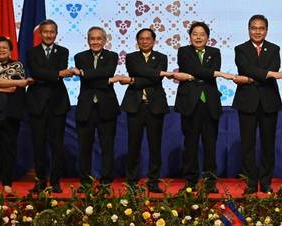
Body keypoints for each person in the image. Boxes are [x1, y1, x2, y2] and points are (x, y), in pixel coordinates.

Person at [174, 21, 235, 193]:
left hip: (210, 104)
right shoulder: (183, 51)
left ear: (208, 37)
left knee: (210, 145)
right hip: (190, 104)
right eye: (195, 34)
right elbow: (190, 68)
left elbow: (200, 71)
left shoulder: (215, 52)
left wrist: (200, 74)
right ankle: (191, 181)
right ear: (190, 36)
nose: (198, 37)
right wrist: (217, 74)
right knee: (190, 144)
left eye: (202, 34)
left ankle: (210, 182)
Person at [232, 15, 282, 194]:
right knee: (247, 144)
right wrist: (268, 74)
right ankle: (250, 182)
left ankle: (265, 182)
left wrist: (254, 77)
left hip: (269, 101)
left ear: (266, 30)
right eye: (254, 28)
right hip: (247, 102)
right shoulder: (240, 49)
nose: (257, 31)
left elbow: (275, 68)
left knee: (268, 144)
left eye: (261, 28)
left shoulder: (274, 48)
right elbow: (245, 68)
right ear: (248, 30)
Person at [119, 28, 173, 193]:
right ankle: (132, 181)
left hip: (155, 106)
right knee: (133, 145)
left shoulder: (162, 57)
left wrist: (133, 81)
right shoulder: (131, 57)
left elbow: (155, 79)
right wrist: (156, 74)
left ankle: (153, 181)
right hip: (135, 106)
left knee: (155, 146)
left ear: (154, 41)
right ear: (137, 41)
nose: (144, 41)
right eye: (141, 39)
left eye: (148, 38)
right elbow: (144, 73)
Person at [0, 36, 33, 194]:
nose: (1, 50)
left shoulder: (17, 66)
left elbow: (12, 89)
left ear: (10, 51)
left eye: (5, 48)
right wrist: (13, 83)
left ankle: (8, 183)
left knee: (9, 149)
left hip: (11, 114)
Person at [26, 19, 73, 193]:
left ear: (56, 33)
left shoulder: (63, 51)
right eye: (45, 32)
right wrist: (57, 74)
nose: (48, 35)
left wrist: (51, 74)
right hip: (37, 104)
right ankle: (40, 181)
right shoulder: (31, 52)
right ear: (40, 34)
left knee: (57, 145)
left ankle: (55, 181)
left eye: (52, 32)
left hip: (57, 104)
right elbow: (36, 72)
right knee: (38, 145)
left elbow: (49, 72)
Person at [72, 26, 120, 190]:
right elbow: (99, 77)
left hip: (107, 107)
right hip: (86, 108)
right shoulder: (80, 57)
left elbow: (107, 71)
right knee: (84, 147)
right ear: (87, 40)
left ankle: (106, 182)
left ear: (105, 40)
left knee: (107, 146)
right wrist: (107, 80)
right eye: (92, 39)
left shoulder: (112, 56)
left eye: (99, 38)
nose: (95, 42)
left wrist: (85, 73)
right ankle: (85, 182)